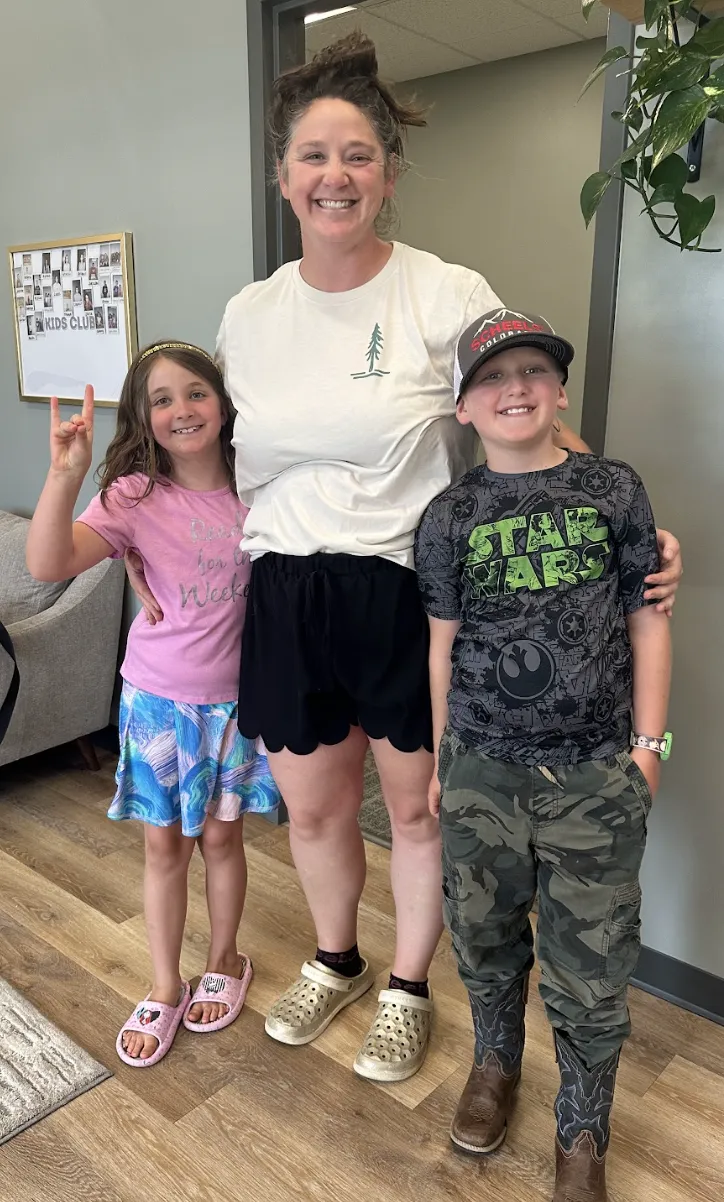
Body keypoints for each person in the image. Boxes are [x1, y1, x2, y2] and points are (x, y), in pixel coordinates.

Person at [126, 33, 682, 1085]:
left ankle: (408, 985)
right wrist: (136, 546)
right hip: (283, 588)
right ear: (283, 175)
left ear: (388, 172)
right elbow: (207, 458)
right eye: (312, 156)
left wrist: (616, 519)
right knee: (315, 808)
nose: (334, 176)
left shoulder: (444, 291)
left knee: (418, 808)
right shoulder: (250, 311)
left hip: (405, 587)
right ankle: (336, 958)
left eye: (358, 156)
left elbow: (519, 406)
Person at [415, 310, 672, 1200]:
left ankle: (582, 1129)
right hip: (481, 768)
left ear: (560, 391)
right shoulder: (449, 516)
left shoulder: (613, 490)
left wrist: (649, 749)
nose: (514, 387)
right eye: (491, 376)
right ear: (463, 406)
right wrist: (443, 761)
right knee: (482, 934)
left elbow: (647, 621)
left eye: (532, 371)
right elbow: (441, 647)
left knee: (591, 966)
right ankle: (495, 1063)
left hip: (596, 773)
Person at [26, 341, 280, 1068]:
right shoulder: (133, 497)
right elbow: (47, 564)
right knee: (163, 848)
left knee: (224, 842)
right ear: (144, 417)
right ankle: (165, 984)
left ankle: (225, 959)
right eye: (161, 400)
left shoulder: (262, 486)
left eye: (196, 392)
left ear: (223, 402)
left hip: (235, 705)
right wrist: (64, 475)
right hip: (158, 705)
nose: (182, 410)